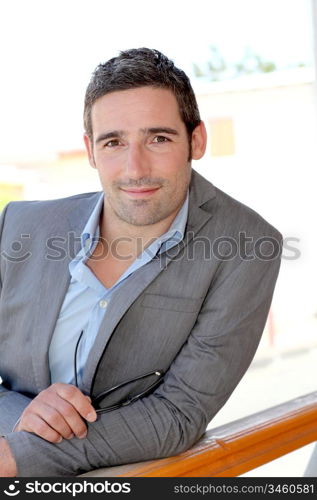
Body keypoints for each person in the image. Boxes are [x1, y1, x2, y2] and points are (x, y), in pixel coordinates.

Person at [0, 48, 282, 477]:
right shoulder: (20, 226)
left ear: (197, 140)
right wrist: (24, 419)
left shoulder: (248, 246)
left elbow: (179, 414)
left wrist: (22, 454)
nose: (135, 168)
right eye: (114, 142)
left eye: (159, 139)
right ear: (91, 150)